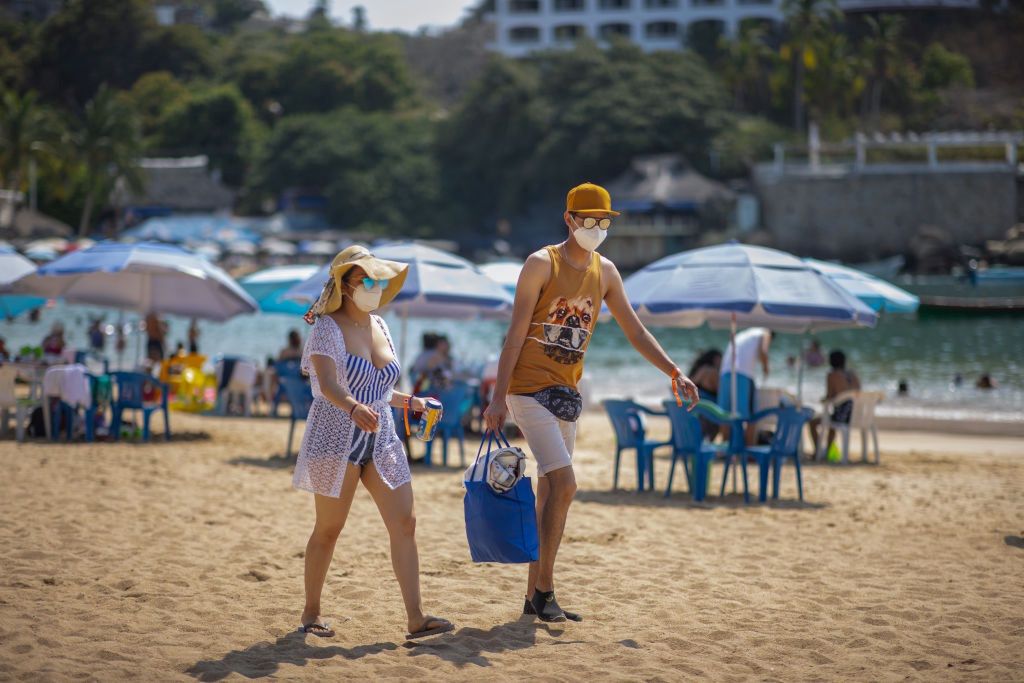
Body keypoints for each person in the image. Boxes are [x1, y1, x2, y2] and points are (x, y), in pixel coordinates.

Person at [483, 182, 699, 623]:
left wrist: (674, 371)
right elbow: (515, 334)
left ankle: (533, 598)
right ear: (569, 219)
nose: (596, 228)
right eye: (588, 220)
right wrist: (497, 397)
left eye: (603, 222)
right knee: (566, 485)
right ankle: (546, 590)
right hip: (527, 389)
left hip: (568, 394)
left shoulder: (607, 272)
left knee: (550, 492)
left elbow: (636, 331)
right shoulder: (541, 264)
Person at [293, 245, 453, 641]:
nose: (374, 286)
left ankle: (416, 617)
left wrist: (412, 402)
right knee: (329, 529)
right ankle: (311, 612)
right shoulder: (326, 328)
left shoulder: (379, 324)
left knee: (405, 523)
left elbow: (380, 390)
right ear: (345, 285)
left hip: (380, 437)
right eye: (366, 279)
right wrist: (351, 407)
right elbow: (328, 385)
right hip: (335, 435)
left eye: (378, 279)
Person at [719, 327, 773, 444]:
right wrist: (766, 367)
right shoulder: (765, 332)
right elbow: (763, 351)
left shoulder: (744, 334)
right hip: (743, 374)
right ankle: (749, 448)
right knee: (751, 416)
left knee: (725, 414)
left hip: (725, 373)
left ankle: (726, 446)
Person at [808, 349, 861, 455]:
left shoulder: (832, 375)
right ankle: (827, 451)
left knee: (813, 422)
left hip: (842, 416)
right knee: (831, 421)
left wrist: (824, 399)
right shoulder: (853, 374)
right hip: (856, 415)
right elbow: (859, 392)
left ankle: (817, 452)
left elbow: (829, 396)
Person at [689, 349, 723, 439]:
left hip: (696, 414)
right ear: (715, 359)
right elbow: (722, 392)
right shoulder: (712, 371)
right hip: (708, 414)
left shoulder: (699, 370)